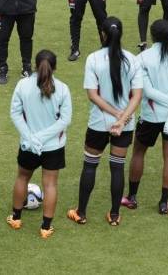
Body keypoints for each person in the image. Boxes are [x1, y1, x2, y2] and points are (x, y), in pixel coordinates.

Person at [66, 17, 142, 226]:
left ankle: (81, 212)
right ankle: (115, 215)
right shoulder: (133, 60)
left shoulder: (93, 59)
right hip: (125, 126)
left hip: (98, 123)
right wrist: (123, 117)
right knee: (117, 167)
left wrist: (114, 113)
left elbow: (93, 95)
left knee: (90, 166)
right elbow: (137, 96)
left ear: (102, 34)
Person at [122, 19, 168, 215]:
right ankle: (163, 202)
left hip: (150, 116)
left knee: (138, 153)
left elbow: (149, 92)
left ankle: (132, 197)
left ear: (152, 36)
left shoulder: (142, 58)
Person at [7, 50, 72, 238]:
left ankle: (16, 218)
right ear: (55, 67)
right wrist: (43, 138)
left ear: (35, 65)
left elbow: (15, 113)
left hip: (28, 146)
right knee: (50, 184)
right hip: (53, 147)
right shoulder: (63, 89)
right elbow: (64, 121)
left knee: (22, 178)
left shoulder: (22, 85)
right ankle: (45, 228)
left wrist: (31, 138)